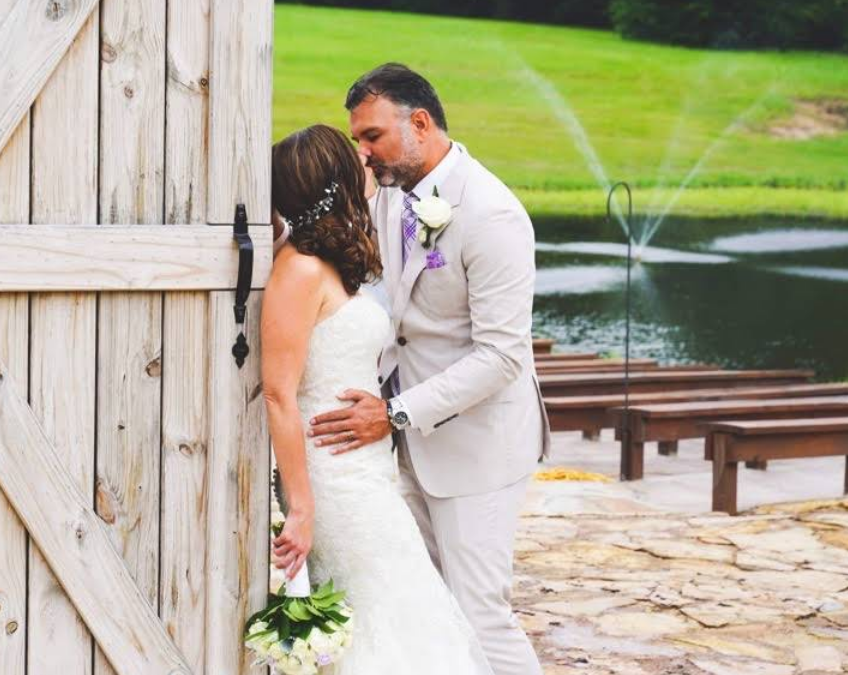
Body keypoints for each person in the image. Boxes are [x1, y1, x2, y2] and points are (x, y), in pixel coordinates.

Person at [305, 63, 551, 675]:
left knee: (480, 612)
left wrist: (392, 414)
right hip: (403, 445)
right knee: (429, 608)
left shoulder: (491, 213)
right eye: (357, 140)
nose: (362, 153)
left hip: (477, 449)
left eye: (371, 137)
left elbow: (502, 355)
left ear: (419, 123)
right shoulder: (391, 191)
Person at [263, 123, 493, 673]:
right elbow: (277, 395)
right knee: (380, 615)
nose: (366, 160)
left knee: (403, 614)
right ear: (335, 180)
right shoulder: (296, 269)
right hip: (332, 479)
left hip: (367, 472)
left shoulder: (324, 262)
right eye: (354, 156)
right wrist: (300, 507)